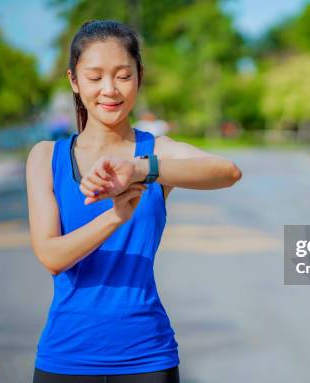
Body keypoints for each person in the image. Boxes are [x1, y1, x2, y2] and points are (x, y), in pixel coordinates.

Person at [26, 20, 242, 383]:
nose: (109, 89)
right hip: (65, 356)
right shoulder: (47, 157)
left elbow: (227, 171)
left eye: (123, 76)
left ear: (139, 77)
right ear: (74, 81)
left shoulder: (155, 153)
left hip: (148, 357)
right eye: (94, 77)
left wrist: (142, 169)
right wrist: (115, 216)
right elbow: (51, 256)